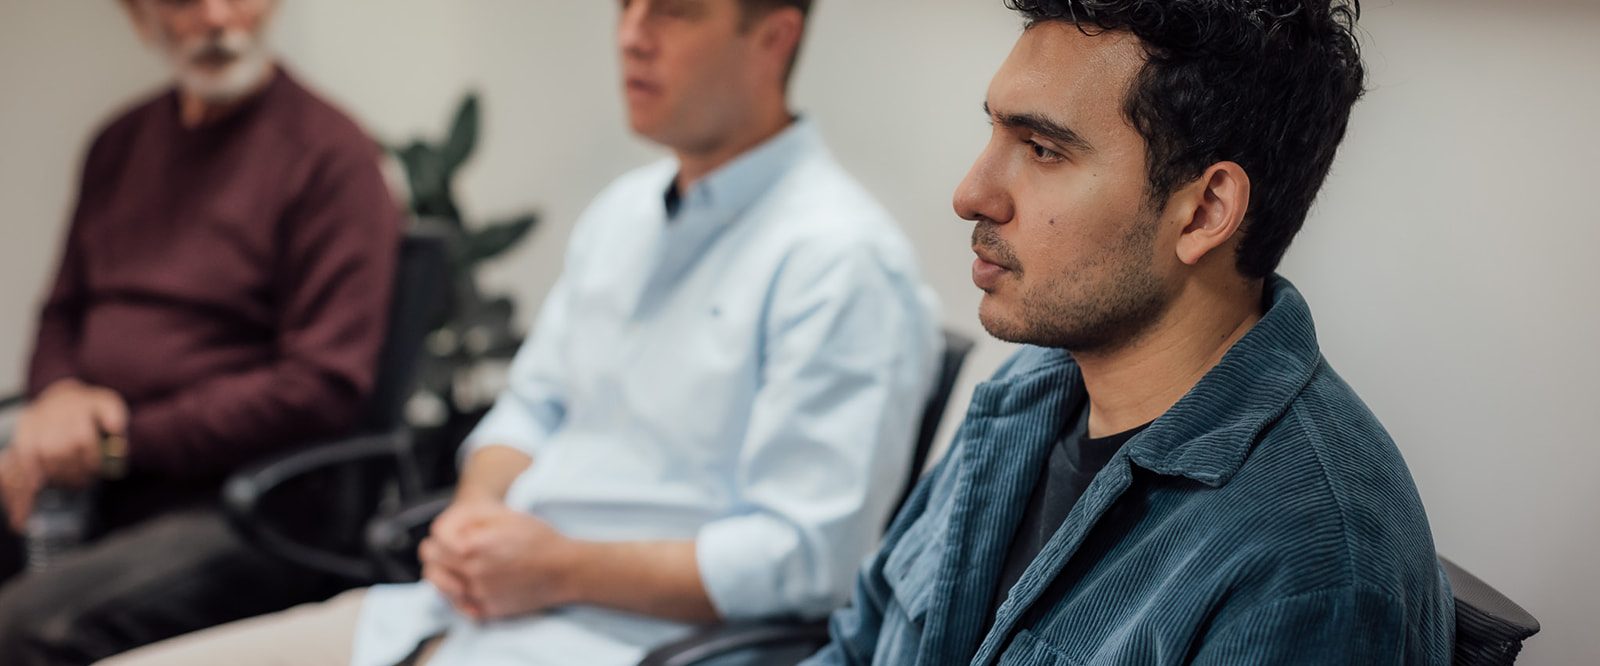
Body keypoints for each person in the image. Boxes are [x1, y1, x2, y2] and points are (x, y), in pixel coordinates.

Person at [104, 0, 941, 664]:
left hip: (623, 641)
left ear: (774, 38)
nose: (631, 36)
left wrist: (556, 569)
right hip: (456, 609)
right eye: (625, 7)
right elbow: (532, 407)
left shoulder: (840, 262)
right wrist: (473, 516)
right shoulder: (623, 217)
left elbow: (807, 556)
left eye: (673, 11)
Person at [806, 0, 1455, 663]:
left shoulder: (1311, 562)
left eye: (1041, 148)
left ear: (1203, 213)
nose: (971, 194)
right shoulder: (1032, 389)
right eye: (994, 133)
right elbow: (860, 646)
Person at [0, 0, 401, 662]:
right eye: (185, 1)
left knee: (23, 628)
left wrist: (120, 441)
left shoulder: (331, 157)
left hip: (243, 506)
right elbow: (64, 311)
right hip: (95, 479)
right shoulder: (119, 145)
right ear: (138, 17)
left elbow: (321, 387)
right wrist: (59, 398)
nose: (217, 19)